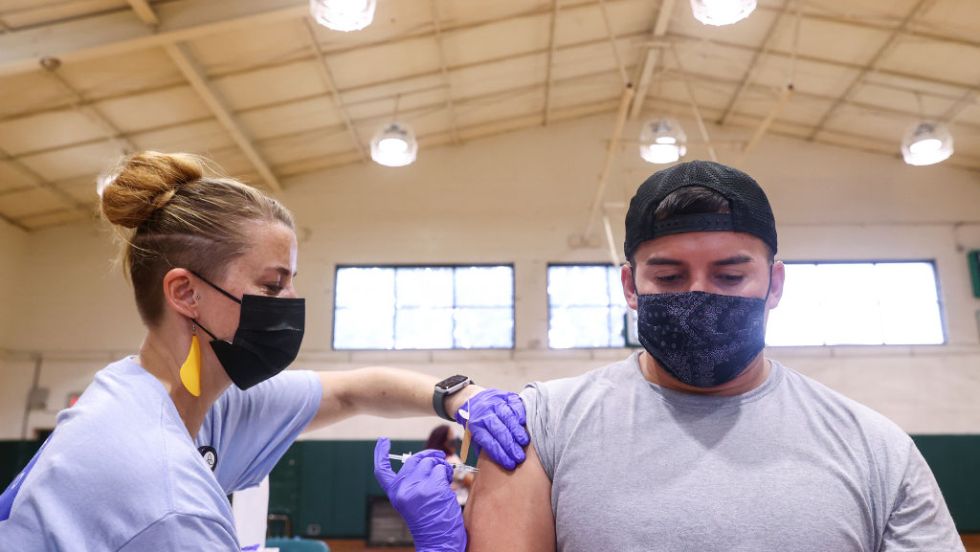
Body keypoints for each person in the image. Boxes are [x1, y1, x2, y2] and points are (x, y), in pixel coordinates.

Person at [381, 160, 965, 551]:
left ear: (776, 284)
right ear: (631, 287)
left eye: (731, 275)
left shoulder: (876, 448)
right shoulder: (541, 426)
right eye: (669, 274)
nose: (701, 293)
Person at [0, 151, 528, 551]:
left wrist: (459, 396)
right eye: (272, 286)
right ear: (186, 293)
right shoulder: (166, 501)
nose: (291, 305)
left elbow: (351, 391)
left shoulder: (185, 398)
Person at [425, 424, 474, 507]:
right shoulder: (451, 461)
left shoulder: (429, 460)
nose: (455, 440)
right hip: (458, 505)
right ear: (443, 441)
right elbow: (470, 481)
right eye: (451, 436)